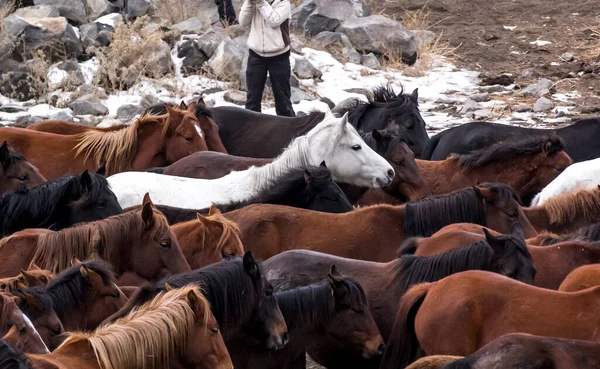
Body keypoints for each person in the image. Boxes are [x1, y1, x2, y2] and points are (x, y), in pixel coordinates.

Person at [239, 0, 295, 117]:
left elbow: (274, 21)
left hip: (279, 56)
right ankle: (252, 131)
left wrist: (260, 2)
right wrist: (249, 3)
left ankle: (289, 132)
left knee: (283, 101)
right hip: (256, 55)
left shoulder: (283, 2)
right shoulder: (253, 2)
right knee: (252, 101)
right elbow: (243, 22)